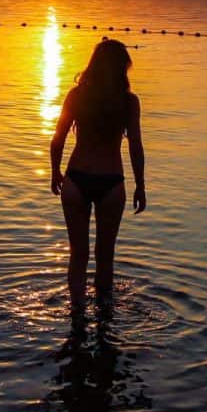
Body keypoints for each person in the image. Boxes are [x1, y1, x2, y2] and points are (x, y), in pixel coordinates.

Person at [49, 39, 146, 316]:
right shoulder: (129, 102)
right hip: (111, 183)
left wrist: (55, 171)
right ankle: (105, 320)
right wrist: (140, 185)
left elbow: (57, 140)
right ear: (122, 69)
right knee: (105, 257)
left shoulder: (76, 96)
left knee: (78, 255)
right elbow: (135, 146)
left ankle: (77, 315)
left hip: (76, 180)